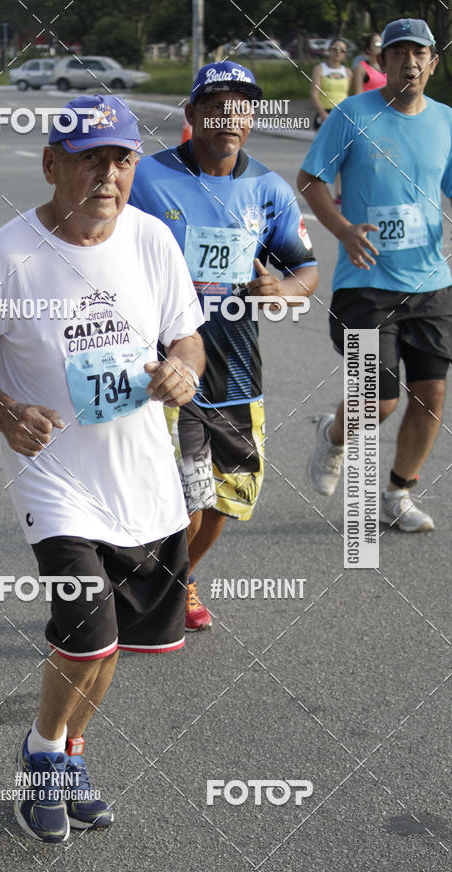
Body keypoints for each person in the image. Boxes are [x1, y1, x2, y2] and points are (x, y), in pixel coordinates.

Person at [0, 95, 204, 842]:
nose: (108, 173)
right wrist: (5, 412)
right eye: (91, 157)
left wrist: (183, 372)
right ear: (52, 162)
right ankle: (42, 758)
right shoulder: (9, 253)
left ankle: (65, 752)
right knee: (86, 629)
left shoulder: (152, 240)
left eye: (121, 158)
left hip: (142, 477)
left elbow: (186, 340)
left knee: (113, 641)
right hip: (53, 478)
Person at [129, 62, 318, 630]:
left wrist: (280, 289)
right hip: (169, 368)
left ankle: (178, 578)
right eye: (215, 105)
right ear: (191, 116)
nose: (228, 117)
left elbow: (306, 268)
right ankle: (151, 589)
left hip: (239, 373)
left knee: (224, 499)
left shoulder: (268, 189)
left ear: (252, 118)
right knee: (182, 495)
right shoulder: (147, 179)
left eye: (240, 106)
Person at [299, 19, 452, 532]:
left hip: (430, 281)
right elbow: (311, 179)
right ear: (380, 62)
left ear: (433, 62)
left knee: (430, 395)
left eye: (420, 54)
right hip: (365, 280)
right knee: (379, 398)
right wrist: (343, 229)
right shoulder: (351, 114)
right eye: (399, 53)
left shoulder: (446, 120)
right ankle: (334, 435)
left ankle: (397, 494)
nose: (410, 62)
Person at [310, 38, 352, 205]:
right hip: (325, 115)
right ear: (329, 50)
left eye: (341, 50)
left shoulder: (348, 72)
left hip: (342, 115)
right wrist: (322, 113)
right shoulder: (320, 69)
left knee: (342, 157)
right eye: (334, 49)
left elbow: (350, 95)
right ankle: (319, 193)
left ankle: (339, 194)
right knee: (325, 157)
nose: (337, 53)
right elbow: (314, 93)